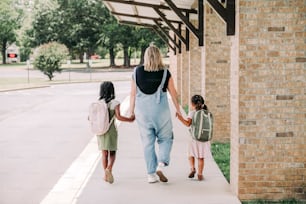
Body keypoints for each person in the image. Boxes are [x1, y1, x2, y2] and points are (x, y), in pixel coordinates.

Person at [129, 45, 182, 183]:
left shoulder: (136, 72)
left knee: (148, 143)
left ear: (145, 56)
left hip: (143, 114)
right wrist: (179, 110)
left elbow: (133, 94)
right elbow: (173, 93)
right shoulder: (165, 72)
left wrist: (131, 112)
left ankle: (151, 175)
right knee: (166, 139)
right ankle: (162, 164)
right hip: (161, 112)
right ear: (159, 56)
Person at [97, 81, 135, 184]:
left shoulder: (98, 103)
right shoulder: (115, 103)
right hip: (111, 130)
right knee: (112, 152)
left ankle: (105, 175)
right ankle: (109, 169)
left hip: (100, 130)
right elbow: (118, 117)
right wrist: (130, 119)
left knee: (104, 153)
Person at [176, 95, 211, 181]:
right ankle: (200, 174)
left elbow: (188, 124)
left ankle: (192, 169)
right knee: (201, 157)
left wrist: (180, 118)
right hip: (204, 138)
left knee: (191, 154)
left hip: (194, 138)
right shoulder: (207, 112)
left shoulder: (192, 113)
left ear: (192, 104)